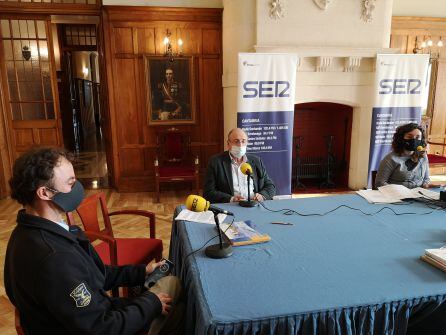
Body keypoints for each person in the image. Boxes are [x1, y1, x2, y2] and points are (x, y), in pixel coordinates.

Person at [4, 147, 184, 335]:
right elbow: (101, 328)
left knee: (173, 289)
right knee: (180, 308)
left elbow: (96, 274)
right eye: (70, 183)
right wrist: (151, 303)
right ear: (45, 193)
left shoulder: (28, 231)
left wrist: (141, 272)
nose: (77, 189)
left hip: (98, 313)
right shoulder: (55, 258)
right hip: (102, 323)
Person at [203, 128, 276, 203]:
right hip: (230, 206)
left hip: (254, 205)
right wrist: (231, 199)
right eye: (236, 141)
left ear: (247, 143)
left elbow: (270, 186)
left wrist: (262, 196)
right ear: (228, 144)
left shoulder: (256, 161)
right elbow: (208, 192)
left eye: (243, 141)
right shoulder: (215, 162)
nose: (240, 145)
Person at [375, 123, 430, 189]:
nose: (414, 140)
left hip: (418, 194)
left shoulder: (423, 156)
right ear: (401, 139)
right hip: (396, 196)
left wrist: (426, 184)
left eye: (418, 137)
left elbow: (426, 179)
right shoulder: (390, 159)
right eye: (409, 137)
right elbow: (379, 183)